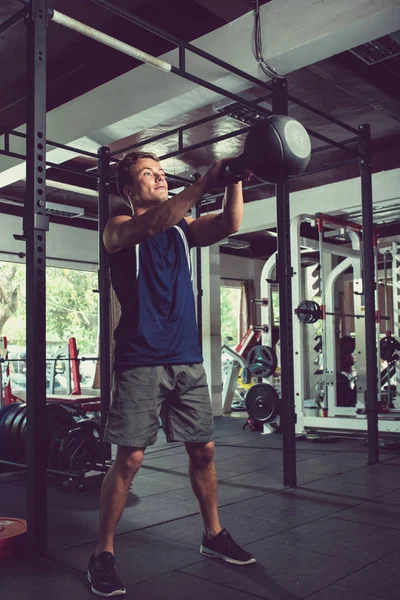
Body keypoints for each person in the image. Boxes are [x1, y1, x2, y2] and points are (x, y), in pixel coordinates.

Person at [87, 151, 256, 597]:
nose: (160, 178)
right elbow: (149, 225)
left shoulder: (182, 229)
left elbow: (231, 223)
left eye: (162, 173)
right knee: (130, 459)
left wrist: (233, 179)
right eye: (149, 174)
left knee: (204, 450)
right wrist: (201, 184)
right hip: (140, 358)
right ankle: (102, 554)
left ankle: (213, 535)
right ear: (128, 189)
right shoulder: (118, 230)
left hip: (186, 358)